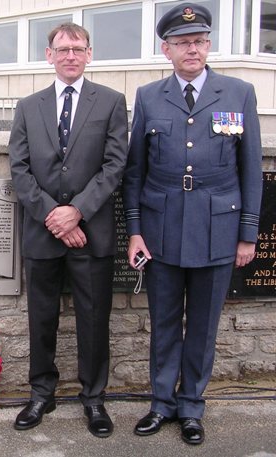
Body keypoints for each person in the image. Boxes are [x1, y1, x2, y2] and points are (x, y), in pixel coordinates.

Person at [123, 3, 262, 446]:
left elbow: (250, 169)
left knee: (202, 326)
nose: (193, 49)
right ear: (167, 49)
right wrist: (136, 229)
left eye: (200, 41)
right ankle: (162, 403)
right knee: (164, 321)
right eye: (183, 43)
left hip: (217, 227)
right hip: (162, 227)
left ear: (208, 45)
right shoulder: (148, 96)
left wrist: (247, 233)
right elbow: (135, 172)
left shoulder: (238, 92)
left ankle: (192, 408)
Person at [8, 23, 128, 438]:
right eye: (63, 49)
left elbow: (115, 166)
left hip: (90, 232)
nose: (71, 55)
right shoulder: (28, 106)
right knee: (42, 318)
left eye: (78, 48)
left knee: (94, 320)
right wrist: (54, 216)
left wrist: (76, 211)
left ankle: (94, 399)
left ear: (90, 54)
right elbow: (20, 170)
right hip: (43, 234)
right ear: (49, 55)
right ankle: (42, 393)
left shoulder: (112, 102)